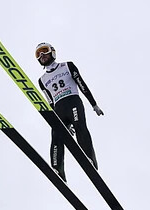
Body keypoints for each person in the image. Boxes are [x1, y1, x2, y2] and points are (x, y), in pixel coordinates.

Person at [35, 42, 104, 182]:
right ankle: (57, 168)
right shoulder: (42, 80)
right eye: (38, 54)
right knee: (56, 137)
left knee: (80, 128)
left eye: (44, 51)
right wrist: (56, 119)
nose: (42, 55)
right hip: (59, 109)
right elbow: (50, 101)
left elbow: (82, 84)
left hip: (73, 102)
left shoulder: (68, 66)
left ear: (52, 52)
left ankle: (89, 157)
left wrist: (94, 104)